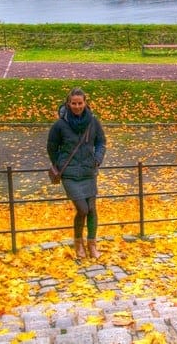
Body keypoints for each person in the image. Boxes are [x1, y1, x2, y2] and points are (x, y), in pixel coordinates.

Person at [47, 87, 107, 259]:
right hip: (70, 174)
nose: (77, 106)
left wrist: (97, 158)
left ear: (85, 103)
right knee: (82, 209)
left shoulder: (93, 122)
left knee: (92, 209)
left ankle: (92, 245)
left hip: (89, 171)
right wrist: (58, 163)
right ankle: (78, 242)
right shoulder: (60, 125)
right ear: (68, 103)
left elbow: (101, 142)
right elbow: (51, 147)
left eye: (80, 103)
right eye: (73, 103)